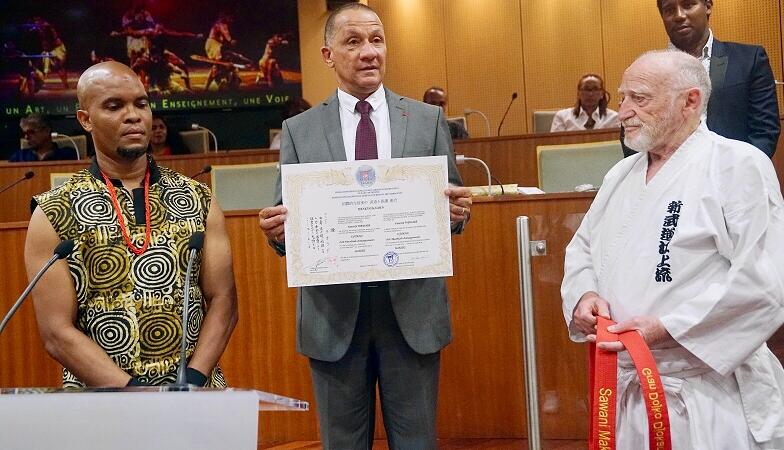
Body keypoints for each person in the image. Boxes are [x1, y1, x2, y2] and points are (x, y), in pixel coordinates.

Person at [258, 4, 472, 448]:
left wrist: (457, 214)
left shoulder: (427, 119)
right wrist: (280, 233)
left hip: (411, 310)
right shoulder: (299, 130)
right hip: (334, 315)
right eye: (353, 42)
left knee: (417, 441)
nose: (368, 52)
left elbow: (450, 202)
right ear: (327, 54)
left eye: (376, 39)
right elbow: (287, 216)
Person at [562, 50, 784, 449]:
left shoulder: (738, 165)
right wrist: (584, 295)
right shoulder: (622, 173)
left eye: (640, 99)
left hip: (708, 392)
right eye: (622, 98)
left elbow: (766, 283)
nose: (623, 112)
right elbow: (583, 245)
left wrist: (667, 325)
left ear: (690, 101)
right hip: (629, 384)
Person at [24, 61, 238, 388]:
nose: (133, 115)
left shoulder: (198, 198)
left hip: (195, 396)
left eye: (141, 103)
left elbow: (224, 301)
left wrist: (193, 380)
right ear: (85, 120)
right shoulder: (53, 211)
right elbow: (56, 332)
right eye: (114, 106)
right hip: (104, 405)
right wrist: (135, 394)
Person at [624, 0, 780, 158]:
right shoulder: (645, 72)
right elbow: (632, 133)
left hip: (732, 173)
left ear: (708, 6)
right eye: (669, 10)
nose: (679, 15)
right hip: (666, 176)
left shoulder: (748, 60)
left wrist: (738, 172)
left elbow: (764, 131)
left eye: (688, 5)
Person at [550, 74, 619, 132]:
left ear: (602, 94)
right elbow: (555, 144)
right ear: (578, 93)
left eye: (595, 89)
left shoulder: (614, 118)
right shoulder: (562, 117)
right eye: (586, 89)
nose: (590, 94)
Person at [11, 113, 78, 162]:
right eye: (25, 133)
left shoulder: (68, 155)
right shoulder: (19, 157)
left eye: (31, 132)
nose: (26, 137)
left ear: (46, 131)